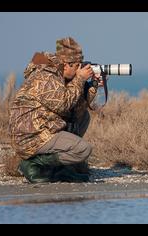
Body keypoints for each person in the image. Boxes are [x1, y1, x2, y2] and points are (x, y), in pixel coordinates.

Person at [9, 37, 101, 183]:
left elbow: (75, 109)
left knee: (84, 117)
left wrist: (93, 86)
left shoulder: (60, 75)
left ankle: (62, 169)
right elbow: (64, 104)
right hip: (31, 136)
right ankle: (33, 164)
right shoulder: (46, 76)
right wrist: (79, 79)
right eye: (77, 66)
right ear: (66, 65)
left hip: (45, 127)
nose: (79, 69)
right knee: (83, 150)